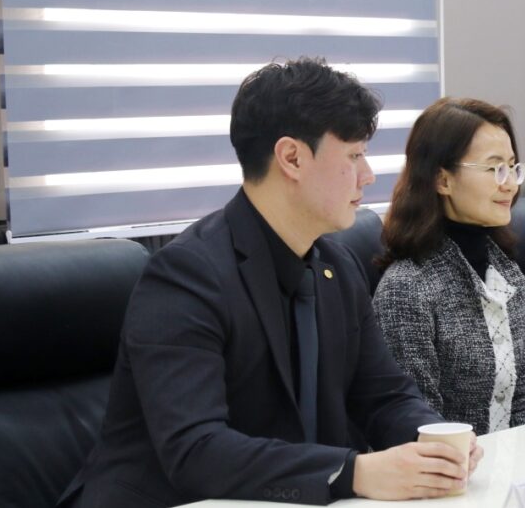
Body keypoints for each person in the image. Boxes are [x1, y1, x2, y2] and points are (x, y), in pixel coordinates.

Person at [58, 59, 482, 508]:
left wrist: (434, 441)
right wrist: (352, 472)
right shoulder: (186, 275)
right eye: (354, 155)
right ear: (292, 158)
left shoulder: (337, 266)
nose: (368, 175)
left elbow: (384, 395)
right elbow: (196, 450)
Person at [373, 97, 525, 435]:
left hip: (515, 459)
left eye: (513, 167)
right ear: (442, 180)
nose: (510, 184)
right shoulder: (406, 289)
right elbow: (419, 427)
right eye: (494, 169)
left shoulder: (504, 272)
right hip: (451, 464)